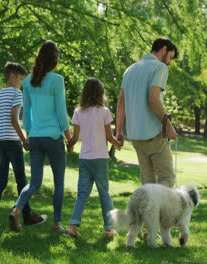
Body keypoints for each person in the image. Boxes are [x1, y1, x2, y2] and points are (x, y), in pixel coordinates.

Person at [9, 40, 72, 232]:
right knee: (59, 181)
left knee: (34, 182)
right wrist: (69, 137)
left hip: (35, 136)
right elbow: (61, 112)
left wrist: (28, 136)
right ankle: (56, 223)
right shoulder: (57, 80)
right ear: (54, 60)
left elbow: (26, 112)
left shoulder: (27, 81)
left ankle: (16, 211)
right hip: (53, 136)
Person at [0, 62, 47, 226]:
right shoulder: (17, 94)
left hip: (0, 141)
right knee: (22, 180)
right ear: (12, 77)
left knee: (2, 180)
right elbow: (14, 118)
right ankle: (26, 215)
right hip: (13, 142)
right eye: (21, 80)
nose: (22, 84)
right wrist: (23, 140)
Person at [115, 36, 179, 188]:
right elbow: (153, 99)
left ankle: (148, 213)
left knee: (148, 185)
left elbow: (121, 102)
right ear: (164, 50)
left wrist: (118, 132)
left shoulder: (130, 69)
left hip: (136, 136)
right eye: (170, 57)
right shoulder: (159, 67)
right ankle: (163, 213)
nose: (169, 63)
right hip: (155, 135)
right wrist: (169, 127)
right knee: (167, 181)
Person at [65, 78, 122, 238]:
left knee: (82, 194)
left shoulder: (78, 112)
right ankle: (109, 229)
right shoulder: (104, 112)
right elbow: (109, 137)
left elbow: (75, 138)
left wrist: (69, 145)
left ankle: (73, 227)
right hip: (100, 159)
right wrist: (118, 144)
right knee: (104, 193)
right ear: (100, 93)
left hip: (84, 159)